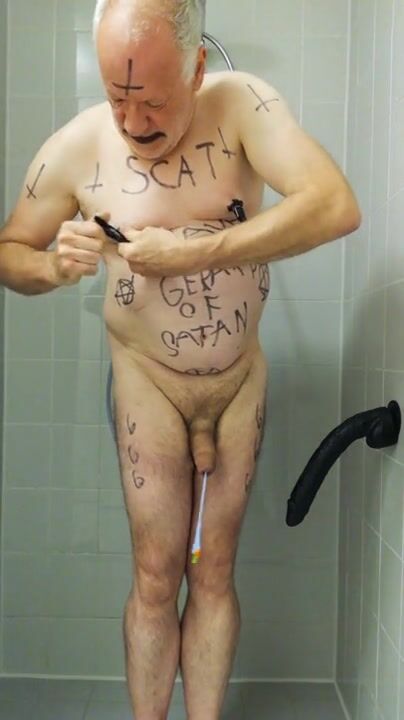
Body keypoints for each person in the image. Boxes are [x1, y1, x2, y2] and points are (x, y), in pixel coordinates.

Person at [0, 0, 361, 717]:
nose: (134, 123)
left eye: (154, 101)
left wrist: (195, 252)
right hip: (149, 388)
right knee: (157, 574)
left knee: (216, 570)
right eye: (118, 98)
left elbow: (335, 206)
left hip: (238, 382)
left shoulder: (244, 105)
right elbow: (10, 251)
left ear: (198, 68)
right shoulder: (75, 147)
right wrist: (53, 267)